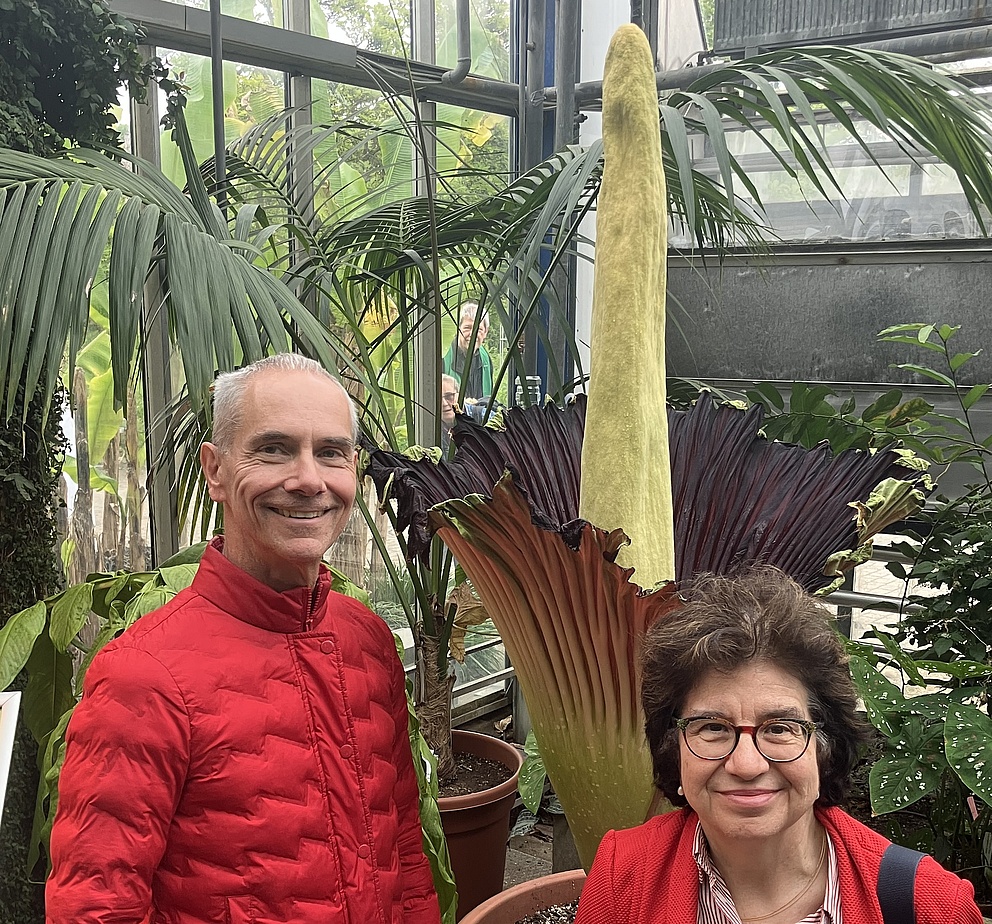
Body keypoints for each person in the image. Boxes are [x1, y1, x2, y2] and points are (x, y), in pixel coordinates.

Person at [46, 354, 441, 924]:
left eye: (331, 453)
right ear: (216, 471)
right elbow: (95, 907)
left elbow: (403, 844)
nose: (309, 479)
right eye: (274, 449)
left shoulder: (368, 642)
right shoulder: (143, 677)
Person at [575, 565, 981, 924]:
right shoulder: (622, 876)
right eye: (712, 728)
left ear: (825, 748)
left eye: (780, 728)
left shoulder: (926, 905)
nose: (747, 765)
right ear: (671, 748)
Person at [442, 301, 493, 403]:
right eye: (467, 328)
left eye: (478, 329)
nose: (472, 334)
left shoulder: (486, 359)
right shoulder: (444, 356)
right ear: (457, 328)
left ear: (486, 332)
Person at [440, 373, 458, 452]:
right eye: (438, 398)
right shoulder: (429, 429)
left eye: (449, 396)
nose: (444, 403)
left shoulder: (483, 417)